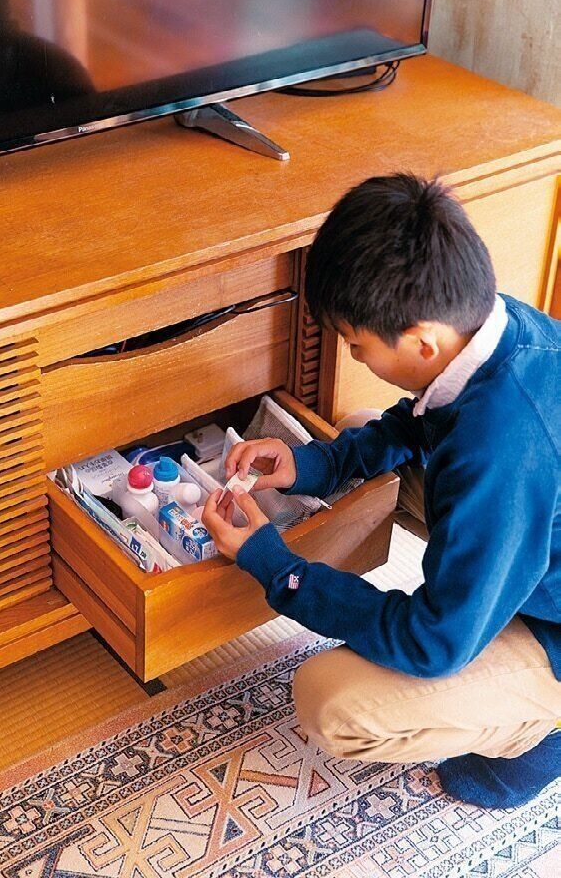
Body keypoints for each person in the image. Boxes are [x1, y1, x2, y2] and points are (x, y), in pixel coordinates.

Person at [202, 173, 560, 810]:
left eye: (356, 344)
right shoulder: (493, 329)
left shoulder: (502, 447)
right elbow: (420, 419)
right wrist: (312, 466)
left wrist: (280, 569)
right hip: (529, 529)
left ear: (422, 340)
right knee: (364, 428)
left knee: (330, 700)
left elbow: (433, 642)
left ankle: (543, 729)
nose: (353, 355)